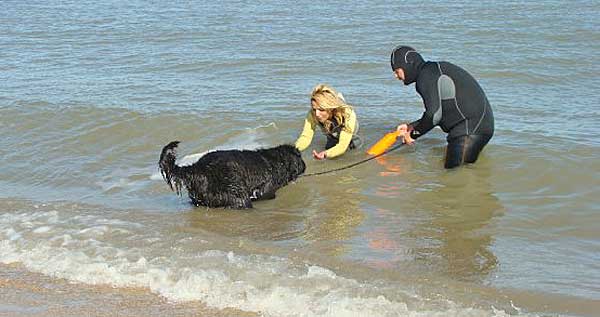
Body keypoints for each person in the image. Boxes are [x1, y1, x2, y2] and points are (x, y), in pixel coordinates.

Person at [390, 46, 494, 168]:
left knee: (453, 179)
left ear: (409, 64)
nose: (396, 76)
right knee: (463, 173)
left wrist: (413, 135)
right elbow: (442, 111)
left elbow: (434, 115)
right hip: (478, 127)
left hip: (468, 130)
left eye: (397, 71)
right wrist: (412, 126)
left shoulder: (425, 78)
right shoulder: (432, 71)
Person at [295, 84, 360, 160]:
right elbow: (306, 137)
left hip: (348, 126)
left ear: (330, 108)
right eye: (314, 109)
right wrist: (293, 150)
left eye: (321, 110)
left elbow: (343, 145)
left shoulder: (348, 114)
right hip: (330, 129)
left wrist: (325, 154)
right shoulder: (312, 114)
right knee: (330, 149)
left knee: (353, 149)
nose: (317, 114)